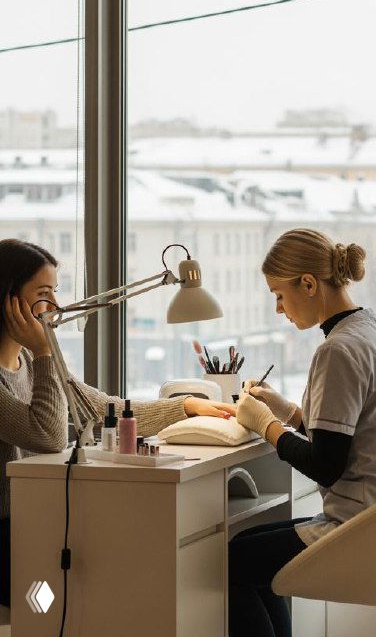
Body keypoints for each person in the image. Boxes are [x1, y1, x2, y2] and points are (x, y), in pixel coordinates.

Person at [0, 238, 236, 608]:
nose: (57, 307)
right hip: (11, 539)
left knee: (131, 564)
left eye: (56, 293)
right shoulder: (39, 361)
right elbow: (46, 435)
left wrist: (186, 407)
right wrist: (45, 350)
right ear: (9, 300)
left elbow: (100, 407)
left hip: (38, 523)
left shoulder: (30, 363)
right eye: (44, 294)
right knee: (86, 589)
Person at [231, 228, 376, 637]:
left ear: (308, 284)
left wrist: (264, 425)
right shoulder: (374, 330)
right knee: (248, 545)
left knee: (234, 562)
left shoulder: (336, 350)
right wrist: (287, 412)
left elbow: (326, 465)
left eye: (279, 295)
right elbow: (358, 435)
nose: (278, 309)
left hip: (375, 532)